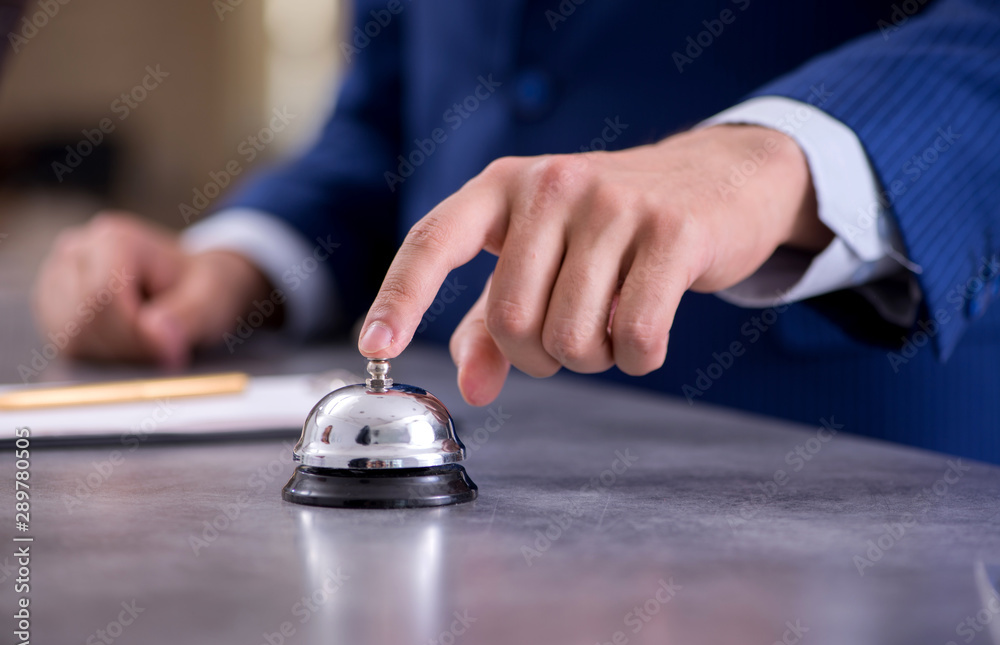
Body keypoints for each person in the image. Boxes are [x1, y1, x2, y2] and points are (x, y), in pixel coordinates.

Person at [33, 1, 1000, 461]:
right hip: (453, 536)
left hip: (848, 480)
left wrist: (773, 160)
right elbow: (388, 118)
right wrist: (240, 261)